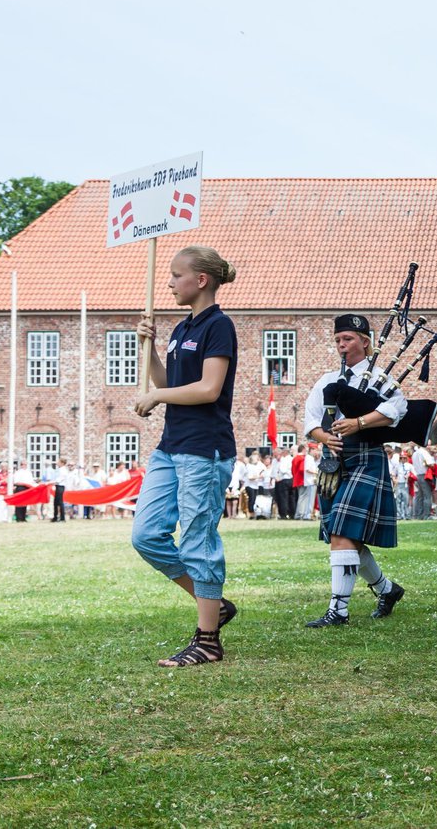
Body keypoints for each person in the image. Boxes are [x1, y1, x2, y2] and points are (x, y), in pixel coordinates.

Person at [129, 244, 239, 667]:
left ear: (201, 280)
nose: (171, 282)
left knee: (197, 541)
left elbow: (208, 388)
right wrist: (152, 349)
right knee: (146, 536)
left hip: (203, 450)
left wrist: (156, 396)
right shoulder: (180, 330)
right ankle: (215, 603)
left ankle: (208, 641)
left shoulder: (218, 326)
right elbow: (168, 379)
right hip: (170, 448)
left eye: (176, 275)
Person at [300, 314, 407, 627]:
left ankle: (338, 611)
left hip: (367, 456)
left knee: (343, 532)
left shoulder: (381, 380)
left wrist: (359, 422)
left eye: (347, 339)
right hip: (334, 462)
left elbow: (395, 411)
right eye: (337, 340)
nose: (341, 345)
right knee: (344, 535)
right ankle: (386, 590)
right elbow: (310, 421)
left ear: (365, 341)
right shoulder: (327, 379)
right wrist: (325, 437)